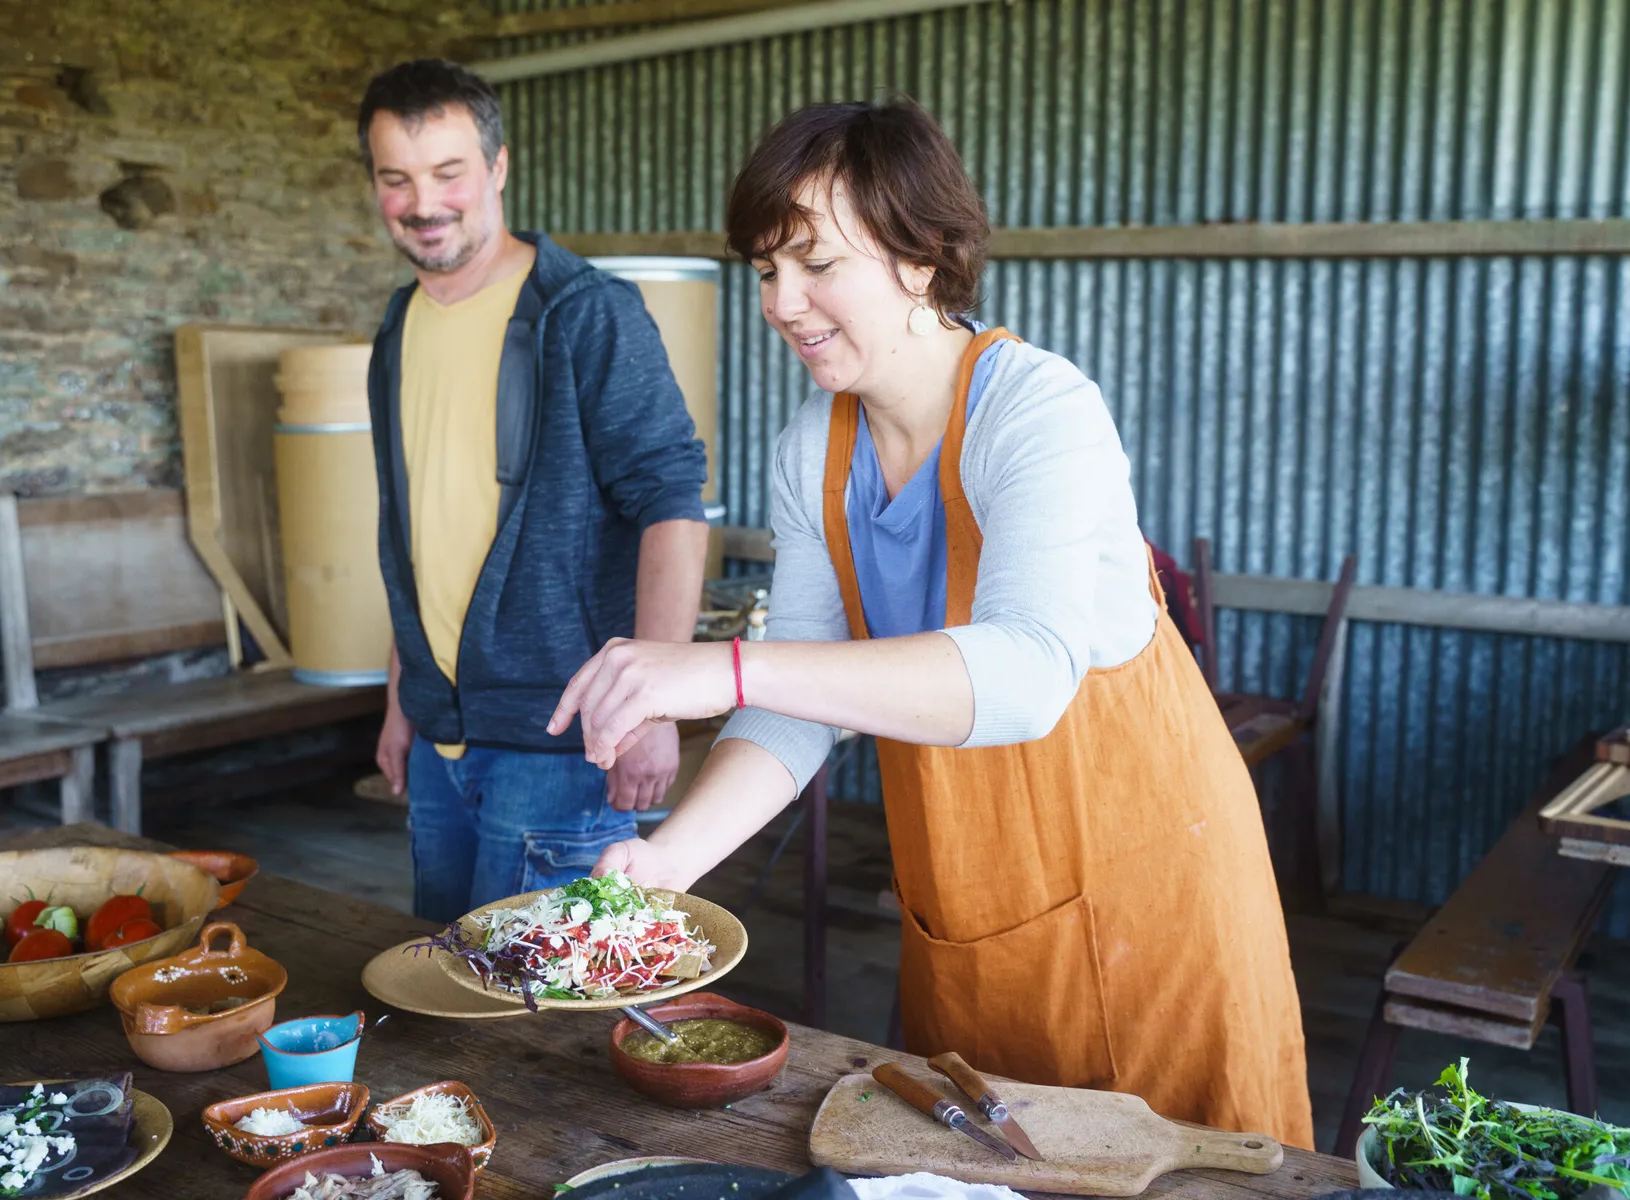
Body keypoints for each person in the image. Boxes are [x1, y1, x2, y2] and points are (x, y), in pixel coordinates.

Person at [547, 98, 1314, 1148]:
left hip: (1151, 896)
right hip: (973, 895)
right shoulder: (812, 447)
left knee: (1178, 1161)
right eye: (766, 268)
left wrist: (724, 667)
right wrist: (667, 864)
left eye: (816, 262)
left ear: (924, 255)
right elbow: (795, 708)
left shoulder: (1038, 410)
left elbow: (1027, 673)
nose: (783, 301)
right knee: (988, 1159)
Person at [357, 60, 710, 921]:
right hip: (443, 743)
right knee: (446, 992)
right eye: (396, 179)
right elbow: (415, 534)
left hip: (562, 744)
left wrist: (654, 705)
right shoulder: (397, 330)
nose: (425, 203)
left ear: (499, 168)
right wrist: (402, 700)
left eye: (449, 173)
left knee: (535, 1023)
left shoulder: (587, 313)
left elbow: (672, 501)